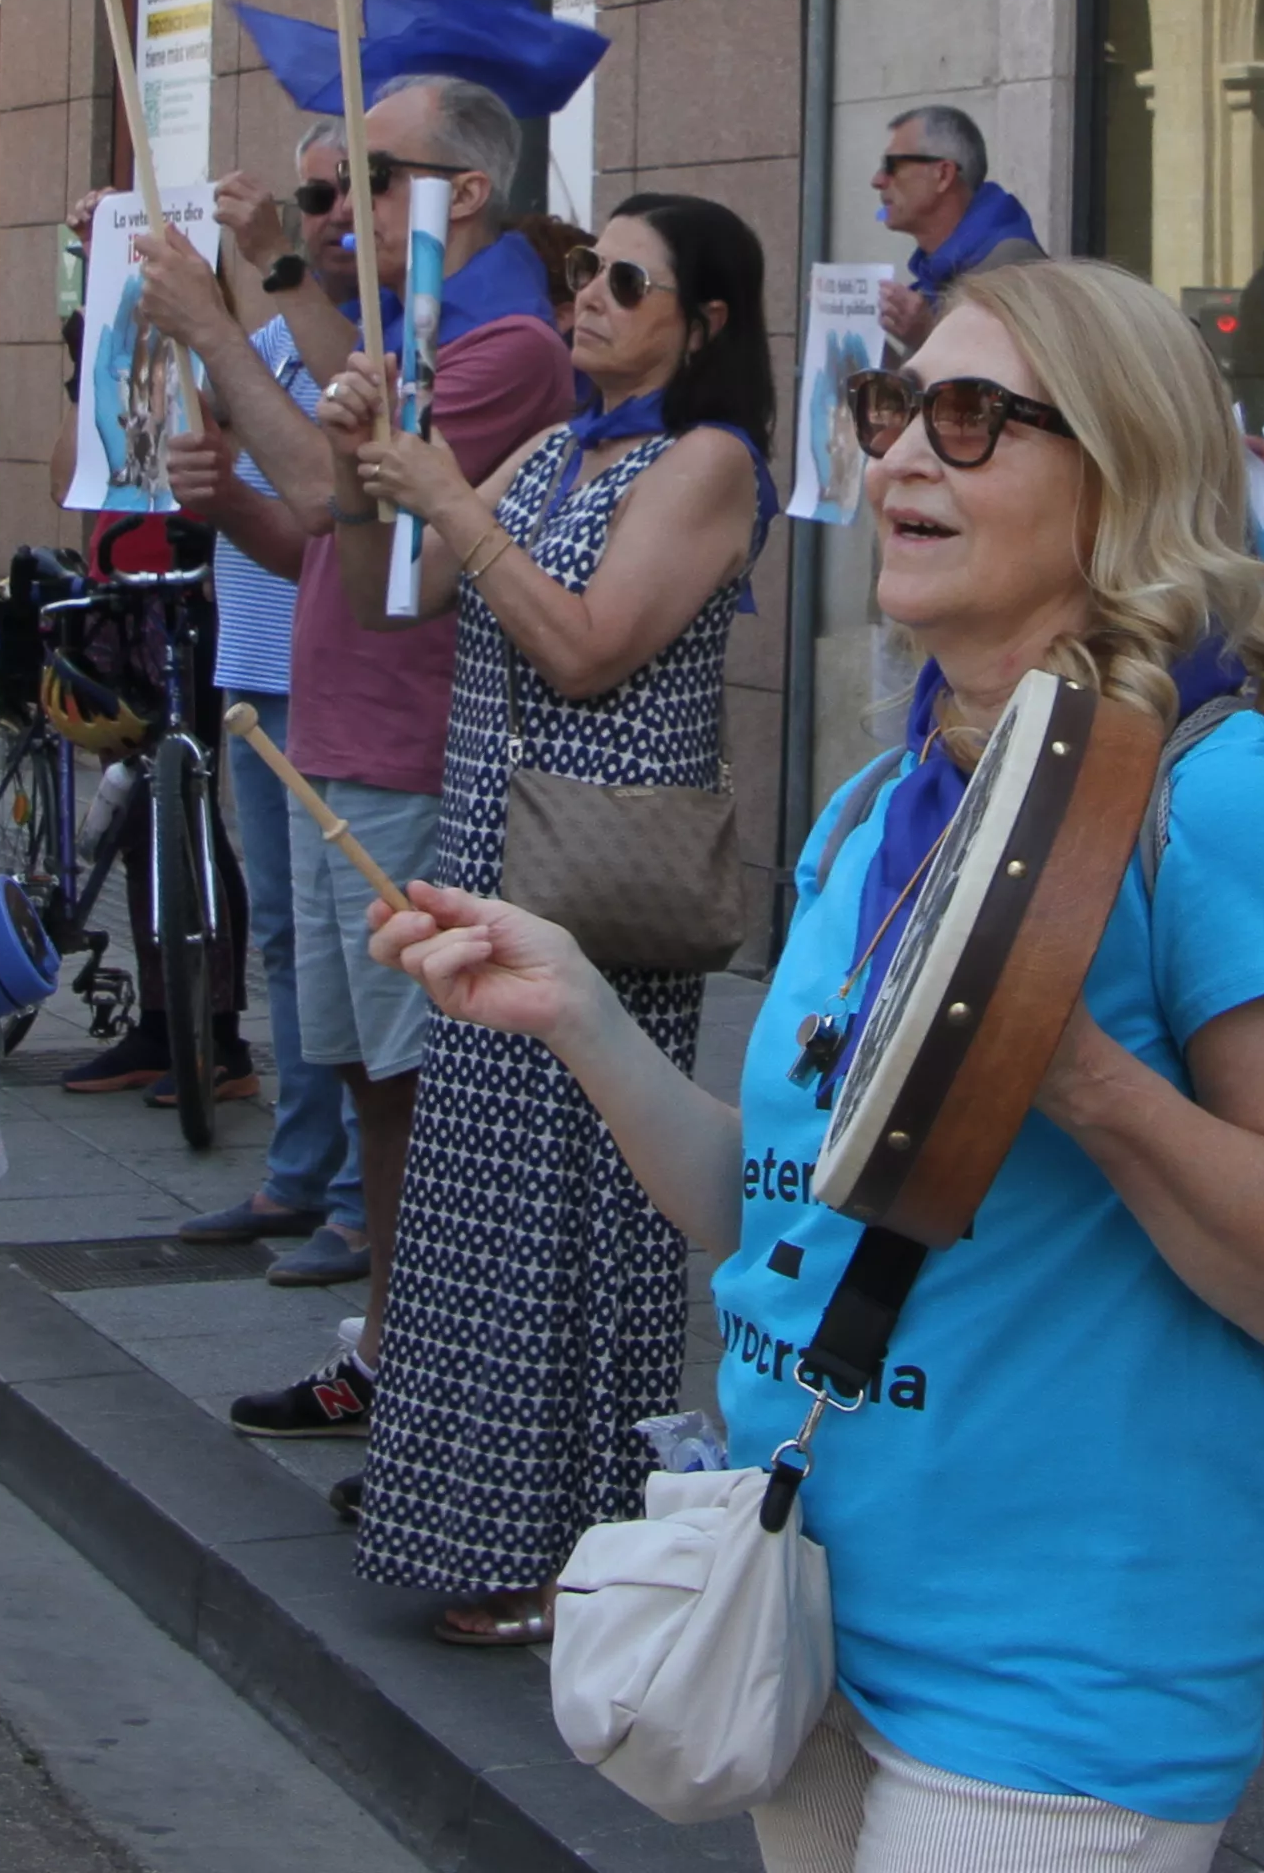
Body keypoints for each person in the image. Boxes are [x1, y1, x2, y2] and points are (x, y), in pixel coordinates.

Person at [368, 253, 1264, 1862]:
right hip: (820, 1603)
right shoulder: (876, 812)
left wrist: (1082, 1082)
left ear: (1120, 473)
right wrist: (571, 1005)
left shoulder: (1227, 803)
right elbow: (774, 1212)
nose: (903, 451)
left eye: (974, 417)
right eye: (894, 405)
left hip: (1058, 1670)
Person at [321, 181, 771, 1648]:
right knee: (480, 1207)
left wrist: (446, 489)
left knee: (582, 1210)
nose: (587, 296)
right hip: (494, 853)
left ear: (700, 323)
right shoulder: (555, 445)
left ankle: (578, 1539)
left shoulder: (707, 461)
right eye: (585, 269)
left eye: (625, 283)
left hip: (596, 885)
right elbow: (405, 590)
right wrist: (364, 463)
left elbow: (585, 652)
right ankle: (478, 1520)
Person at [144, 80, 579, 1445]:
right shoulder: (415, 332)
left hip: (408, 754)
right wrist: (234, 498)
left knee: (423, 1088)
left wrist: (222, 323)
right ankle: (392, 1358)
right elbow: (335, 545)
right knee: (370, 1086)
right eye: (334, 190)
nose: (339, 214)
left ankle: (440, 1379)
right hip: (342, 735)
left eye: (366, 186)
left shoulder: (503, 343)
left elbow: (369, 521)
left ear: (463, 199)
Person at [153, 123, 369, 1282]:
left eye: (341, 194)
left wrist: (227, 500)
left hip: (314, 677)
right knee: (286, 939)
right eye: (310, 192)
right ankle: (302, 1171)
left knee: (333, 946)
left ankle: (347, 1192)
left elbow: (322, 541)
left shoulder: (336, 350)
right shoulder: (263, 344)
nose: (325, 213)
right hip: (253, 668)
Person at [870, 102, 1041, 348]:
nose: (877, 181)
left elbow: (1007, 379)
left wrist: (928, 333)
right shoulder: (939, 270)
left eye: (892, 166)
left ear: (943, 175)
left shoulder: (1008, 266)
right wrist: (867, 347)